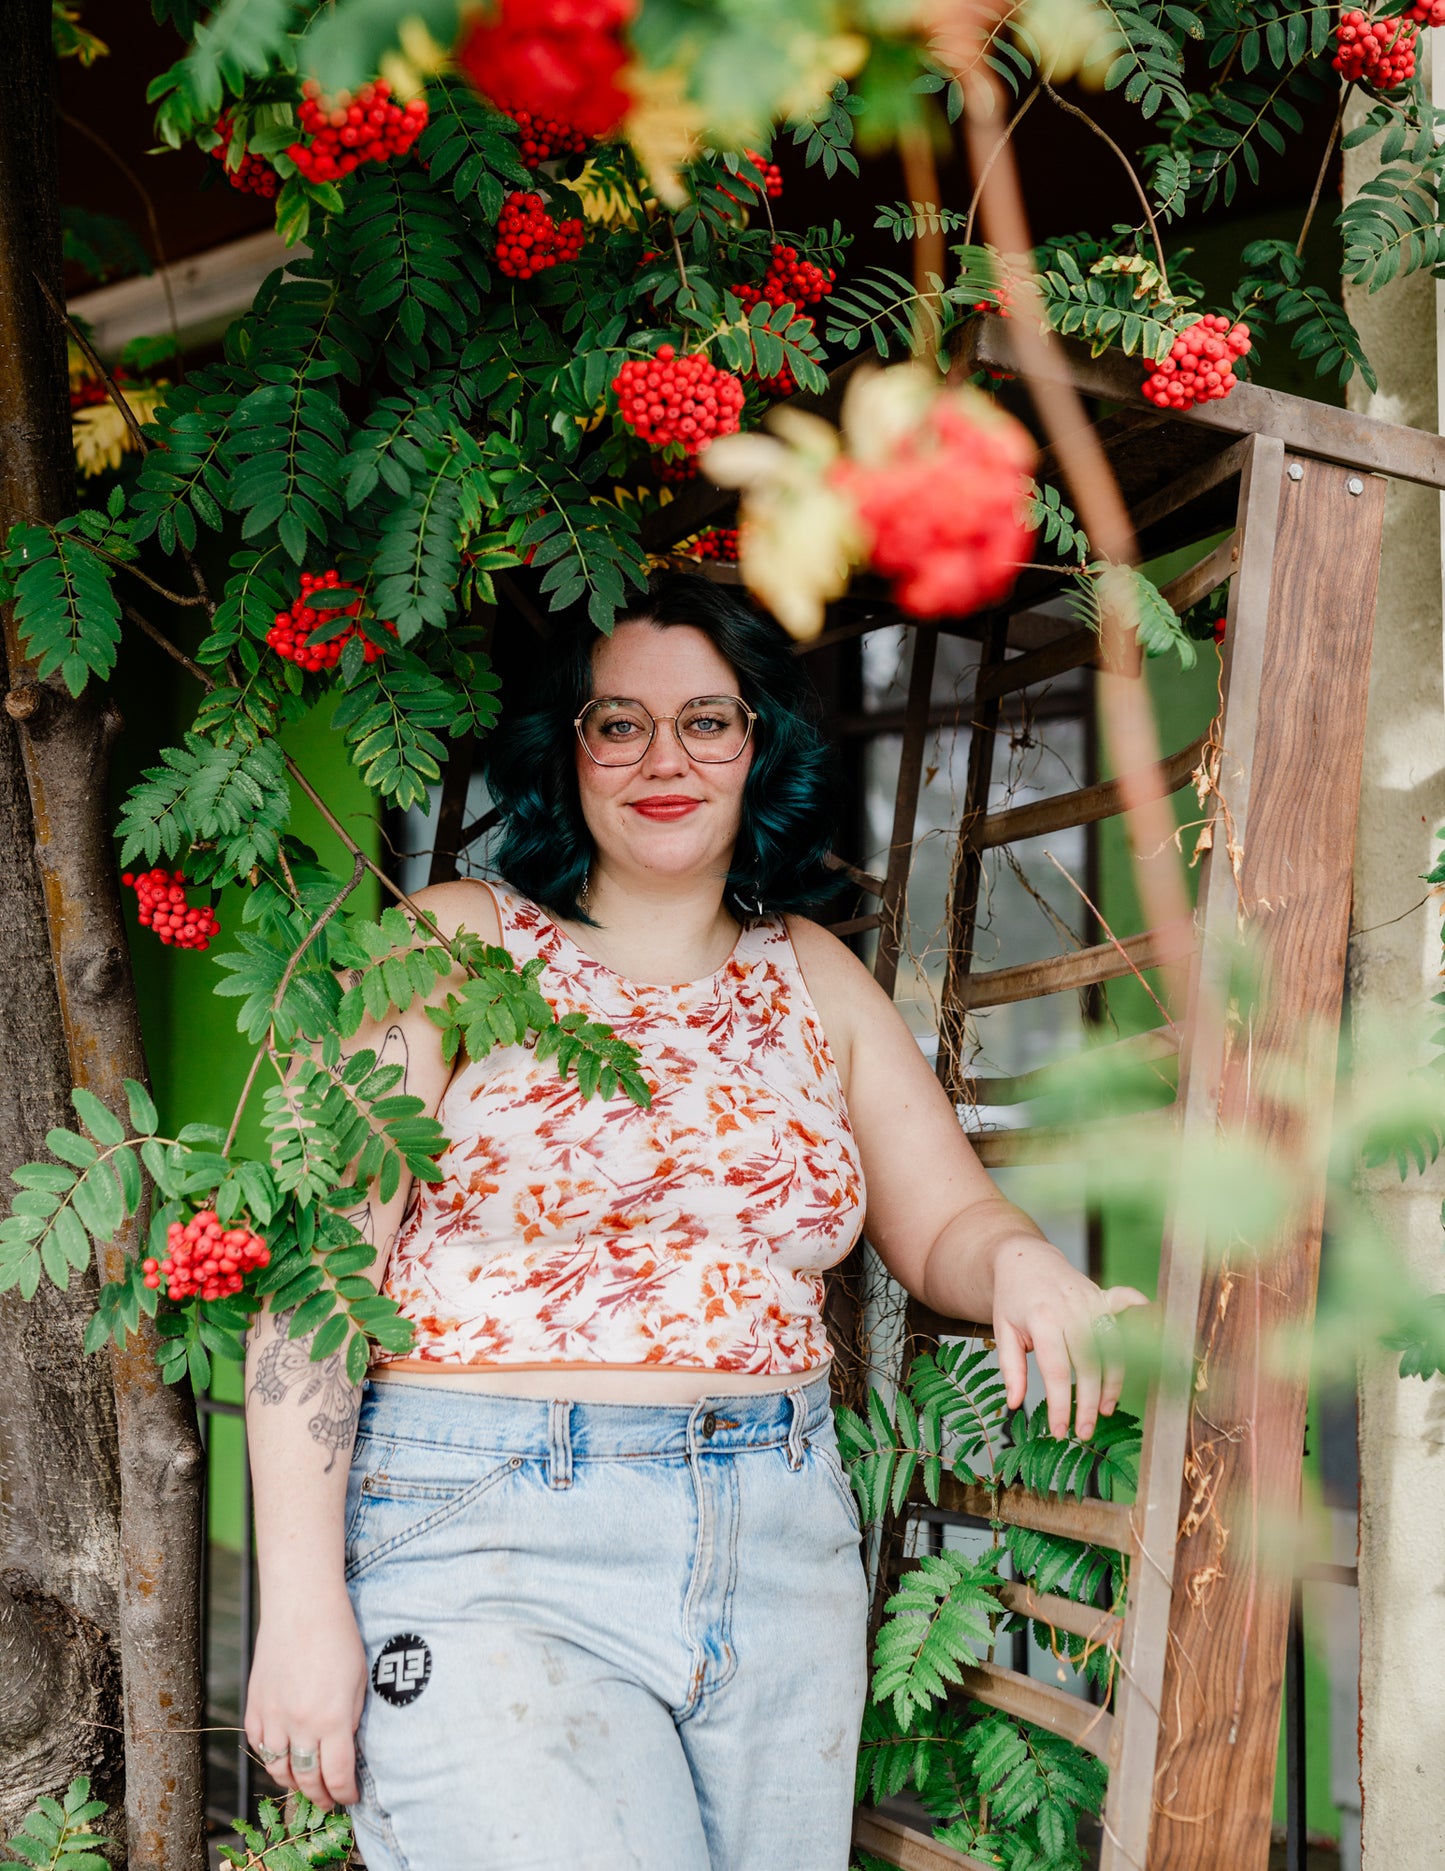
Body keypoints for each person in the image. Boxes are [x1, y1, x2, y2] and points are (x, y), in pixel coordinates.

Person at [242, 573, 1147, 1871]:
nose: (663, 758)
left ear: (760, 745)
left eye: (707, 722)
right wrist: (300, 1607)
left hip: (778, 1548)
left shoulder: (811, 976)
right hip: (491, 1541)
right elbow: (313, 1285)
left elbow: (944, 1218)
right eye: (619, 723)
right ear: (566, 748)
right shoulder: (447, 947)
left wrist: (1021, 1268)